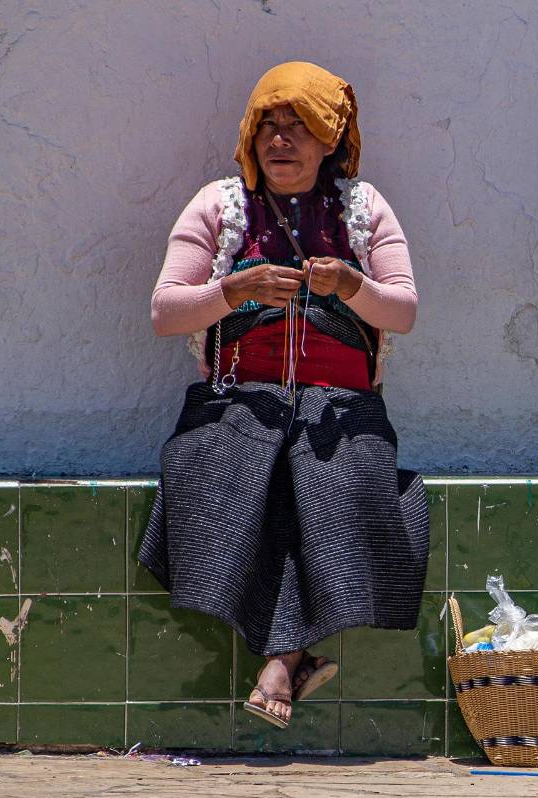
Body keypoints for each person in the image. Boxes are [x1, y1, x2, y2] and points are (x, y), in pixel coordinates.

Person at [140, 62, 428, 729]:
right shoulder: (220, 206)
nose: (281, 140)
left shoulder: (363, 210)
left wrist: (351, 286)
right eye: (268, 126)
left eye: (299, 127)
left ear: (331, 138)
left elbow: (404, 310)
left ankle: (280, 658)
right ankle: (287, 655)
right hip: (236, 401)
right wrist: (233, 292)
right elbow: (165, 311)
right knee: (234, 470)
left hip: (342, 406)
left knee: (324, 472)